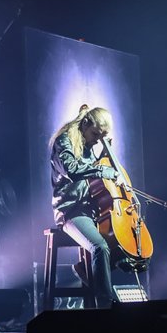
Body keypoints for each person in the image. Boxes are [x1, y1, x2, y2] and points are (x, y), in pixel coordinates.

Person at [50, 104, 120, 308]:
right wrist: (101, 170)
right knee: (99, 246)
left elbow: (92, 176)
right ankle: (106, 306)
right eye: (95, 134)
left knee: (127, 247)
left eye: (101, 137)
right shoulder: (64, 141)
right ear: (86, 124)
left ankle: (83, 269)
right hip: (70, 210)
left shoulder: (89, 146)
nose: (97, 140)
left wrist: (104, 160)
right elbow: (72, 170)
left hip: (92, 209)